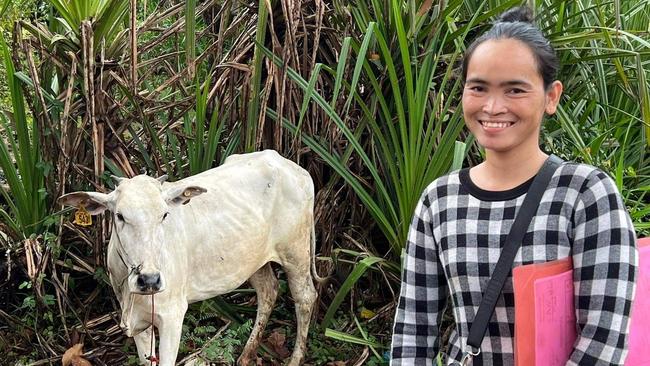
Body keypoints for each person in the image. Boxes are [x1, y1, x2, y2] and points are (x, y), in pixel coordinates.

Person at [390, 6, 638, 365]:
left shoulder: (585, 193)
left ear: (551, 96)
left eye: (515, 90)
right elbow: (413, 329)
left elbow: (604, 340)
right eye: (478, 87)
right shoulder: (439, 201)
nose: (492, 106)